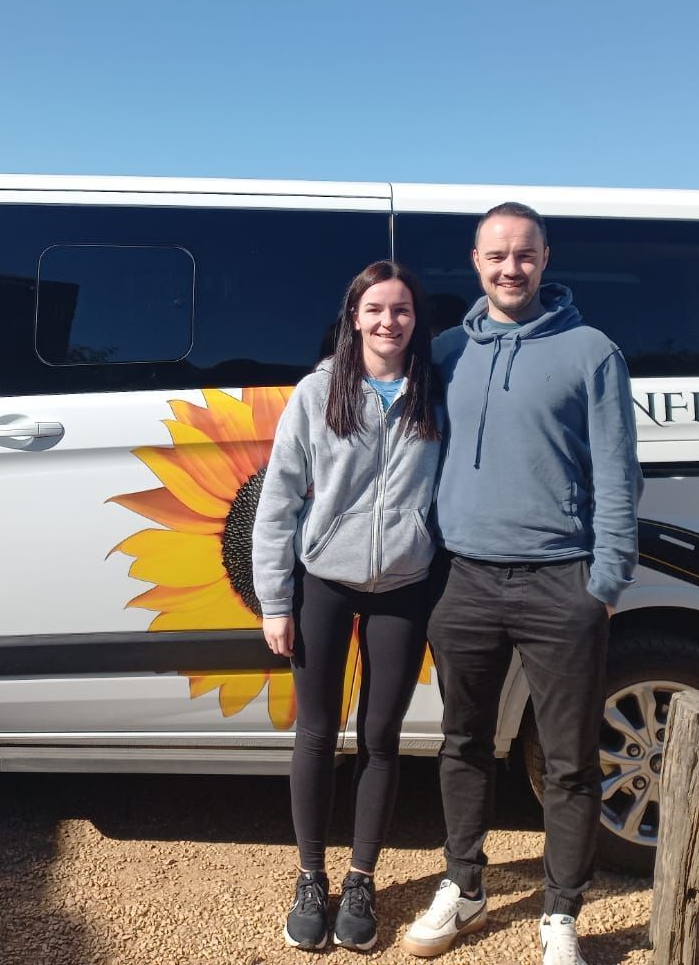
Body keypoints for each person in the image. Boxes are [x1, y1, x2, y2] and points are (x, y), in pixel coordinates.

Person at [401, 203, 642, 965]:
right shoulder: (442, 352)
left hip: (559, 583)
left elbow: (617, 475)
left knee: (568, 761)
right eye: (498, 255)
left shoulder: (591, 352)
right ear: (475, 260)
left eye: (526, 255)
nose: (512, 268)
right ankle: (465, 887)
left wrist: (603, 582)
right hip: (462, 581)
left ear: (546, 259)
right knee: (463, 741)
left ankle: (561, 913)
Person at [252, 260, 444, 953]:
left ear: (415, 320)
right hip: (324, 583)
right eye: (375, 309)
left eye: (401, 310)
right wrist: (277, 602)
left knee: (381, 736)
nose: (388, 321)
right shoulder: (316, 392)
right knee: (315, 731)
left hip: (405, 583)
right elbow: (277, 504)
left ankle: (361, 879)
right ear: (353, 317)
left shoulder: (433, 392)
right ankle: (311, 877)